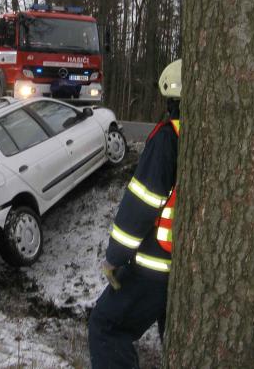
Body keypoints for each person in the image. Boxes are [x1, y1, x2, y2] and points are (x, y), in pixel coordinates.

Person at [88, 59, 182, 369]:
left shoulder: (169, 137)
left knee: (105, 327)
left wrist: (115, 256)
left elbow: (141, 204)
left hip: (155, 268)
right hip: (184, 267)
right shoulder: (211, 138)